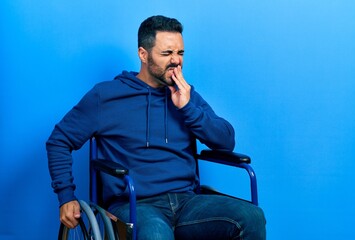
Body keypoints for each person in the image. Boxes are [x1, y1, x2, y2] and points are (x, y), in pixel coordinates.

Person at [46, 15, 266, 239]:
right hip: (134, 204)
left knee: (250, 217)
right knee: (155, 233)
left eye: (180, 53)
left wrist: (188, 108)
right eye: (167, 53)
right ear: (143, 54)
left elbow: (226, 141)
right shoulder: (106, 96)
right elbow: (59, 141)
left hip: (187, 202)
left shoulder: (187, 95)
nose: (176, 61)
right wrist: (66, 196)